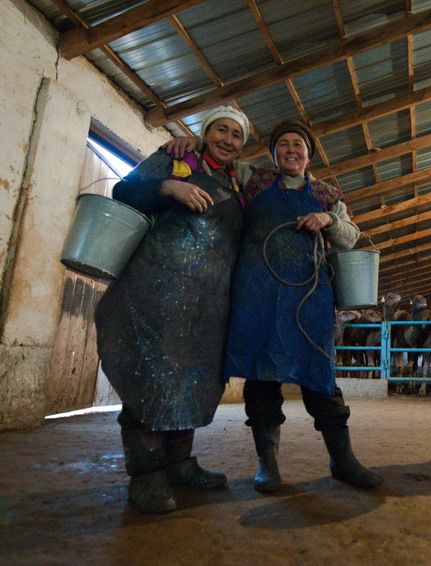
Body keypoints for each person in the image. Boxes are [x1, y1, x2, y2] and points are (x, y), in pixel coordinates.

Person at [166, 120, 382, 492]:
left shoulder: (327, 193)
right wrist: (189, 142)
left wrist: (328, 218)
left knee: (320, 377)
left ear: (309, 153)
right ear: (274, 154)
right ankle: (267, 464)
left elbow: (350, 238)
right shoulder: (254, 181)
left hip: (309, 298)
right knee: (261, 379)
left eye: (298, 145)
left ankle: (343, 460)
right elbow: (217, 155)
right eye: (283, 145)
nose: (291, 151)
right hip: (258, 295)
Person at [95, 105, 251, 513]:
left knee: (194, 379)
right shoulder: (176, 157)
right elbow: (124, 190)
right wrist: (168, 188)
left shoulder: (237, 180)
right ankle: (146, 475)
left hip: (208, 301)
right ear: (205, 132)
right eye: (221, 130)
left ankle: (180, 465)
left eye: (237, 135)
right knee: (152, 374)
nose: (228, 140)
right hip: (159, 287)